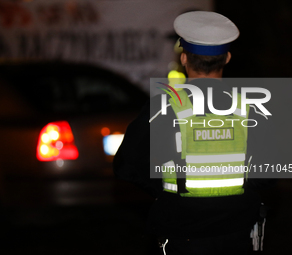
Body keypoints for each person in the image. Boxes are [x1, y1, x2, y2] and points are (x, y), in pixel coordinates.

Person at [114, 11, 275, 255]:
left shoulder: (163, 108)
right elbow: (270, 173)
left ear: (185, 58)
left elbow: (126, 166)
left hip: (182, 233)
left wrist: (167, 188)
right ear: (228, 57)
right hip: (238, 232)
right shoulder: (252, 107)